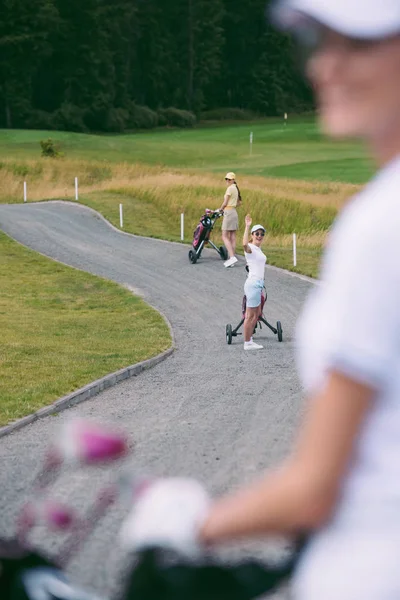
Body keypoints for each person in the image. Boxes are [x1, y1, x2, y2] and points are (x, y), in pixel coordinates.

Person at [121, 1, 400, 598]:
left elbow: (316, 487)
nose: (325, 67)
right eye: (318, 44)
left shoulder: (381, 226)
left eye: (356, 46)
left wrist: (187, 525)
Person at [242, 215, 267, 351]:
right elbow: (244, 244)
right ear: (252, 235)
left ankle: (250, 339)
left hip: (258, 284)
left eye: (261, 234)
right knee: (250, 315)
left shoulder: (258, 249)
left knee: (256, 313)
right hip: (253, 284)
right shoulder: (250, 247)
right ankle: (247, 342)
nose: (259, 236)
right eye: (257, 233)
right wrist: (247, 226)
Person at [219, 172, 241, 268]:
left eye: (229, 179)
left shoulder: (230, 188)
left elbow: (225, 202)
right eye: (226, 179)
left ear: (233, 180)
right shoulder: (236, 188)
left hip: (228, 212)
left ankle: (232, 257)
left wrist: (220, 209)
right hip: (234, 212)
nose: (227, 181)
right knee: (232, 236)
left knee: (224, 236)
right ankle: (232, 258)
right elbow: (239, 202)